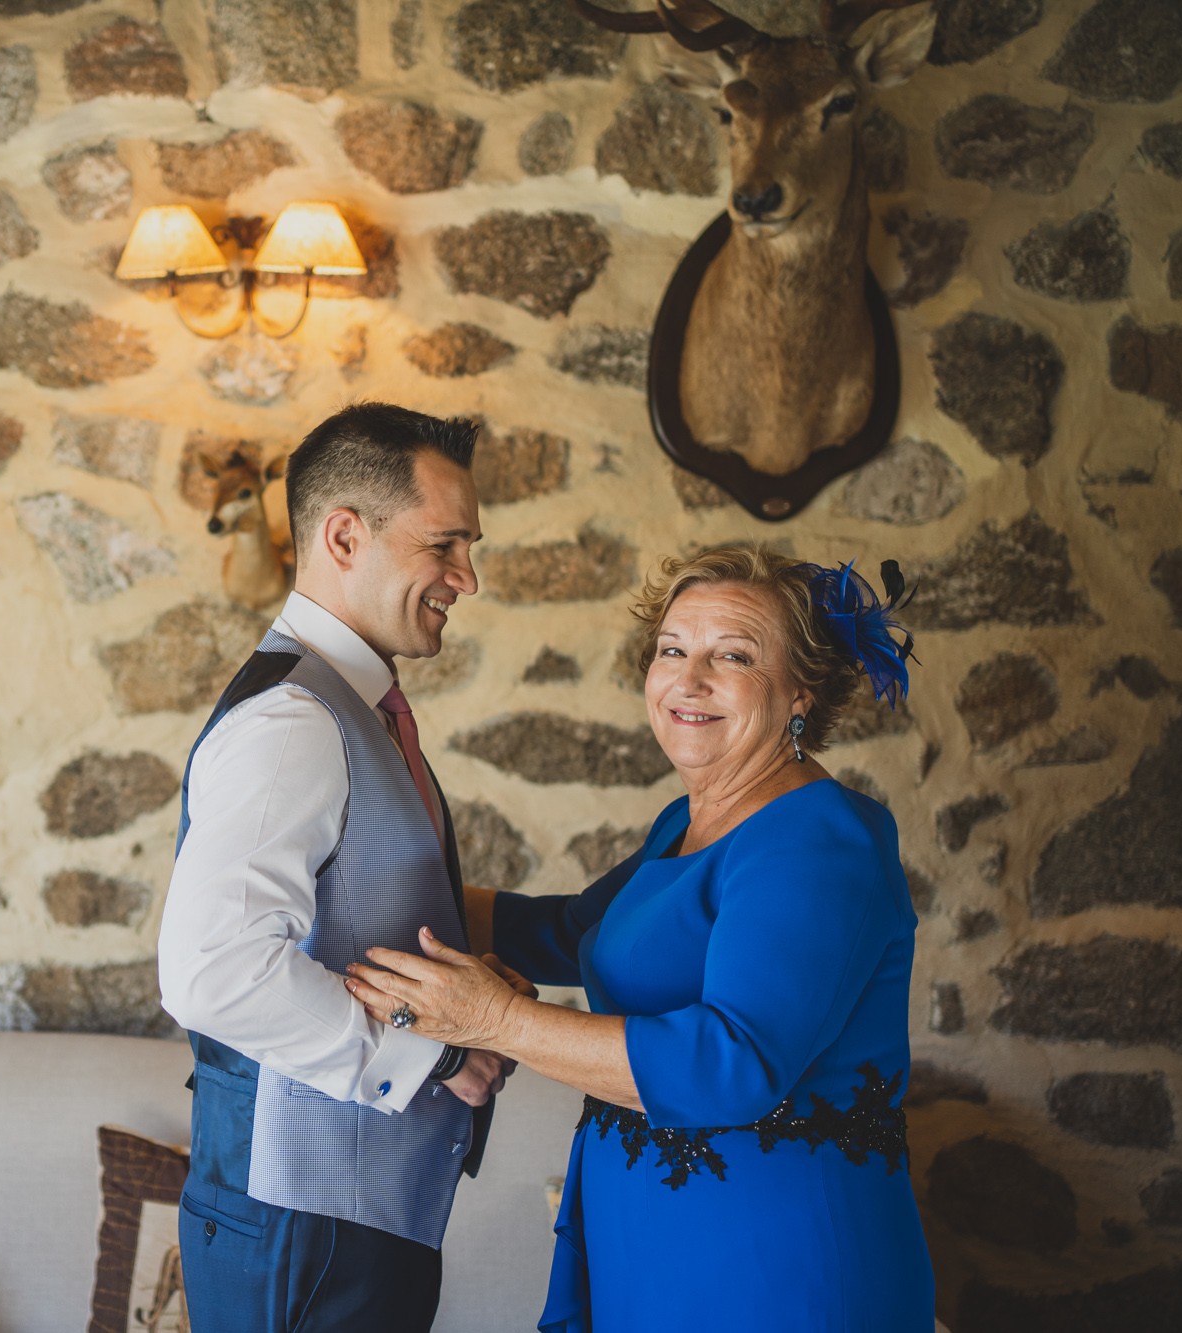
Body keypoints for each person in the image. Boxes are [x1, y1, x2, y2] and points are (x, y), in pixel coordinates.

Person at [348, 544, 934, 1332]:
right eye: (672, 650)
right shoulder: (687, 822)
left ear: (801, 691)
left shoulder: (821, 838)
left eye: (732, 655)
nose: (689, 681)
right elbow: (570, 932)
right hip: (649, 1241)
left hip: (772, 1262)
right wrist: (363, 882)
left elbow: (736, 1063)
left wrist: (496, 1022)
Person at [158, 403, 518, 1333]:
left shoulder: (350, 704)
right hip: (303, 1227)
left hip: (347, 1220)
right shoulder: (294, 721)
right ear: (345, 535)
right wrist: (426, 1055)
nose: (465, 578)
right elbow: (214, 972)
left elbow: (363, 901)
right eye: (445, 545)